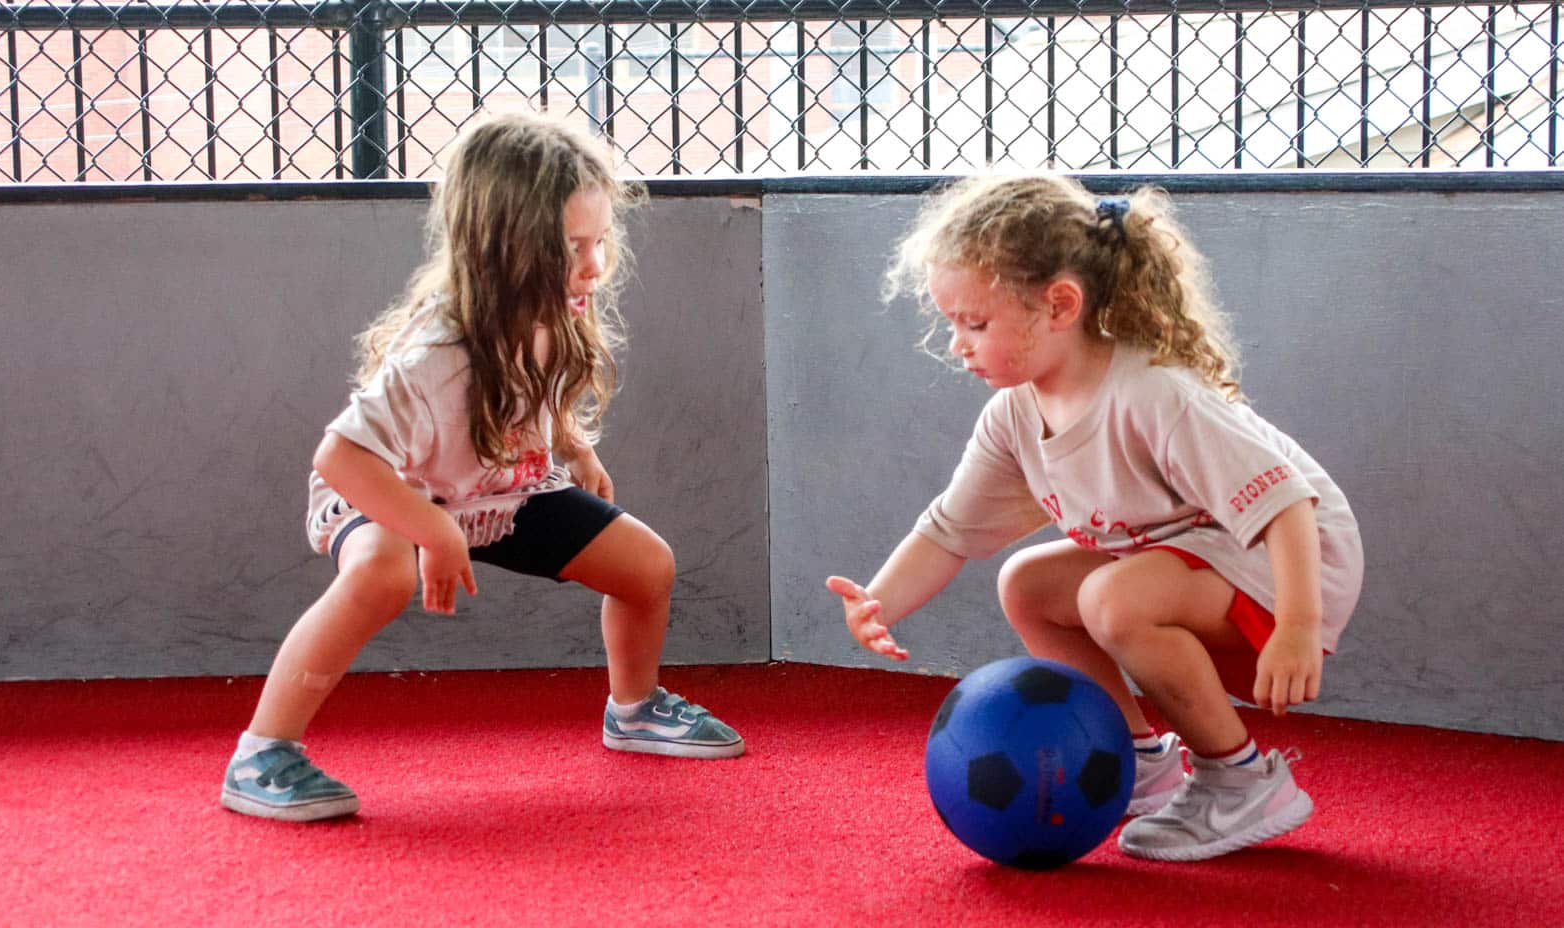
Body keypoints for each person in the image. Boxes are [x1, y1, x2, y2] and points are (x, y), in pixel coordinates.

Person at [221, 112, 744, 823]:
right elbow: (341, 457)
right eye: (571, 246)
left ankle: (635, 709)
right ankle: (263, 752)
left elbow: (538, 390)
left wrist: (577, 448)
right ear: (504, 246)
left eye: (600, 242)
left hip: (500, 489)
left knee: (647, 567)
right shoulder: (439, 351)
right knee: (380, 572)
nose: (593, 264)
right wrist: (430, 533)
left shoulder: (560, 301)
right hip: (392, 490)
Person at [827, 173, 1362, 861]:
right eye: (950, 322)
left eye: (975, 323)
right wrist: (878, 601)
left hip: (1294, 560)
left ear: (1059, 305)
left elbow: (1286, 502)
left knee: (1110, 596)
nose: (957, 344)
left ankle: (1241, 780)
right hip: (1201, 556)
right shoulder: (1016, 415)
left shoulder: (1152, 393)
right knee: (1028, 584)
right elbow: (948, 530)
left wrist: (1298, 625)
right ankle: (1143, 761)